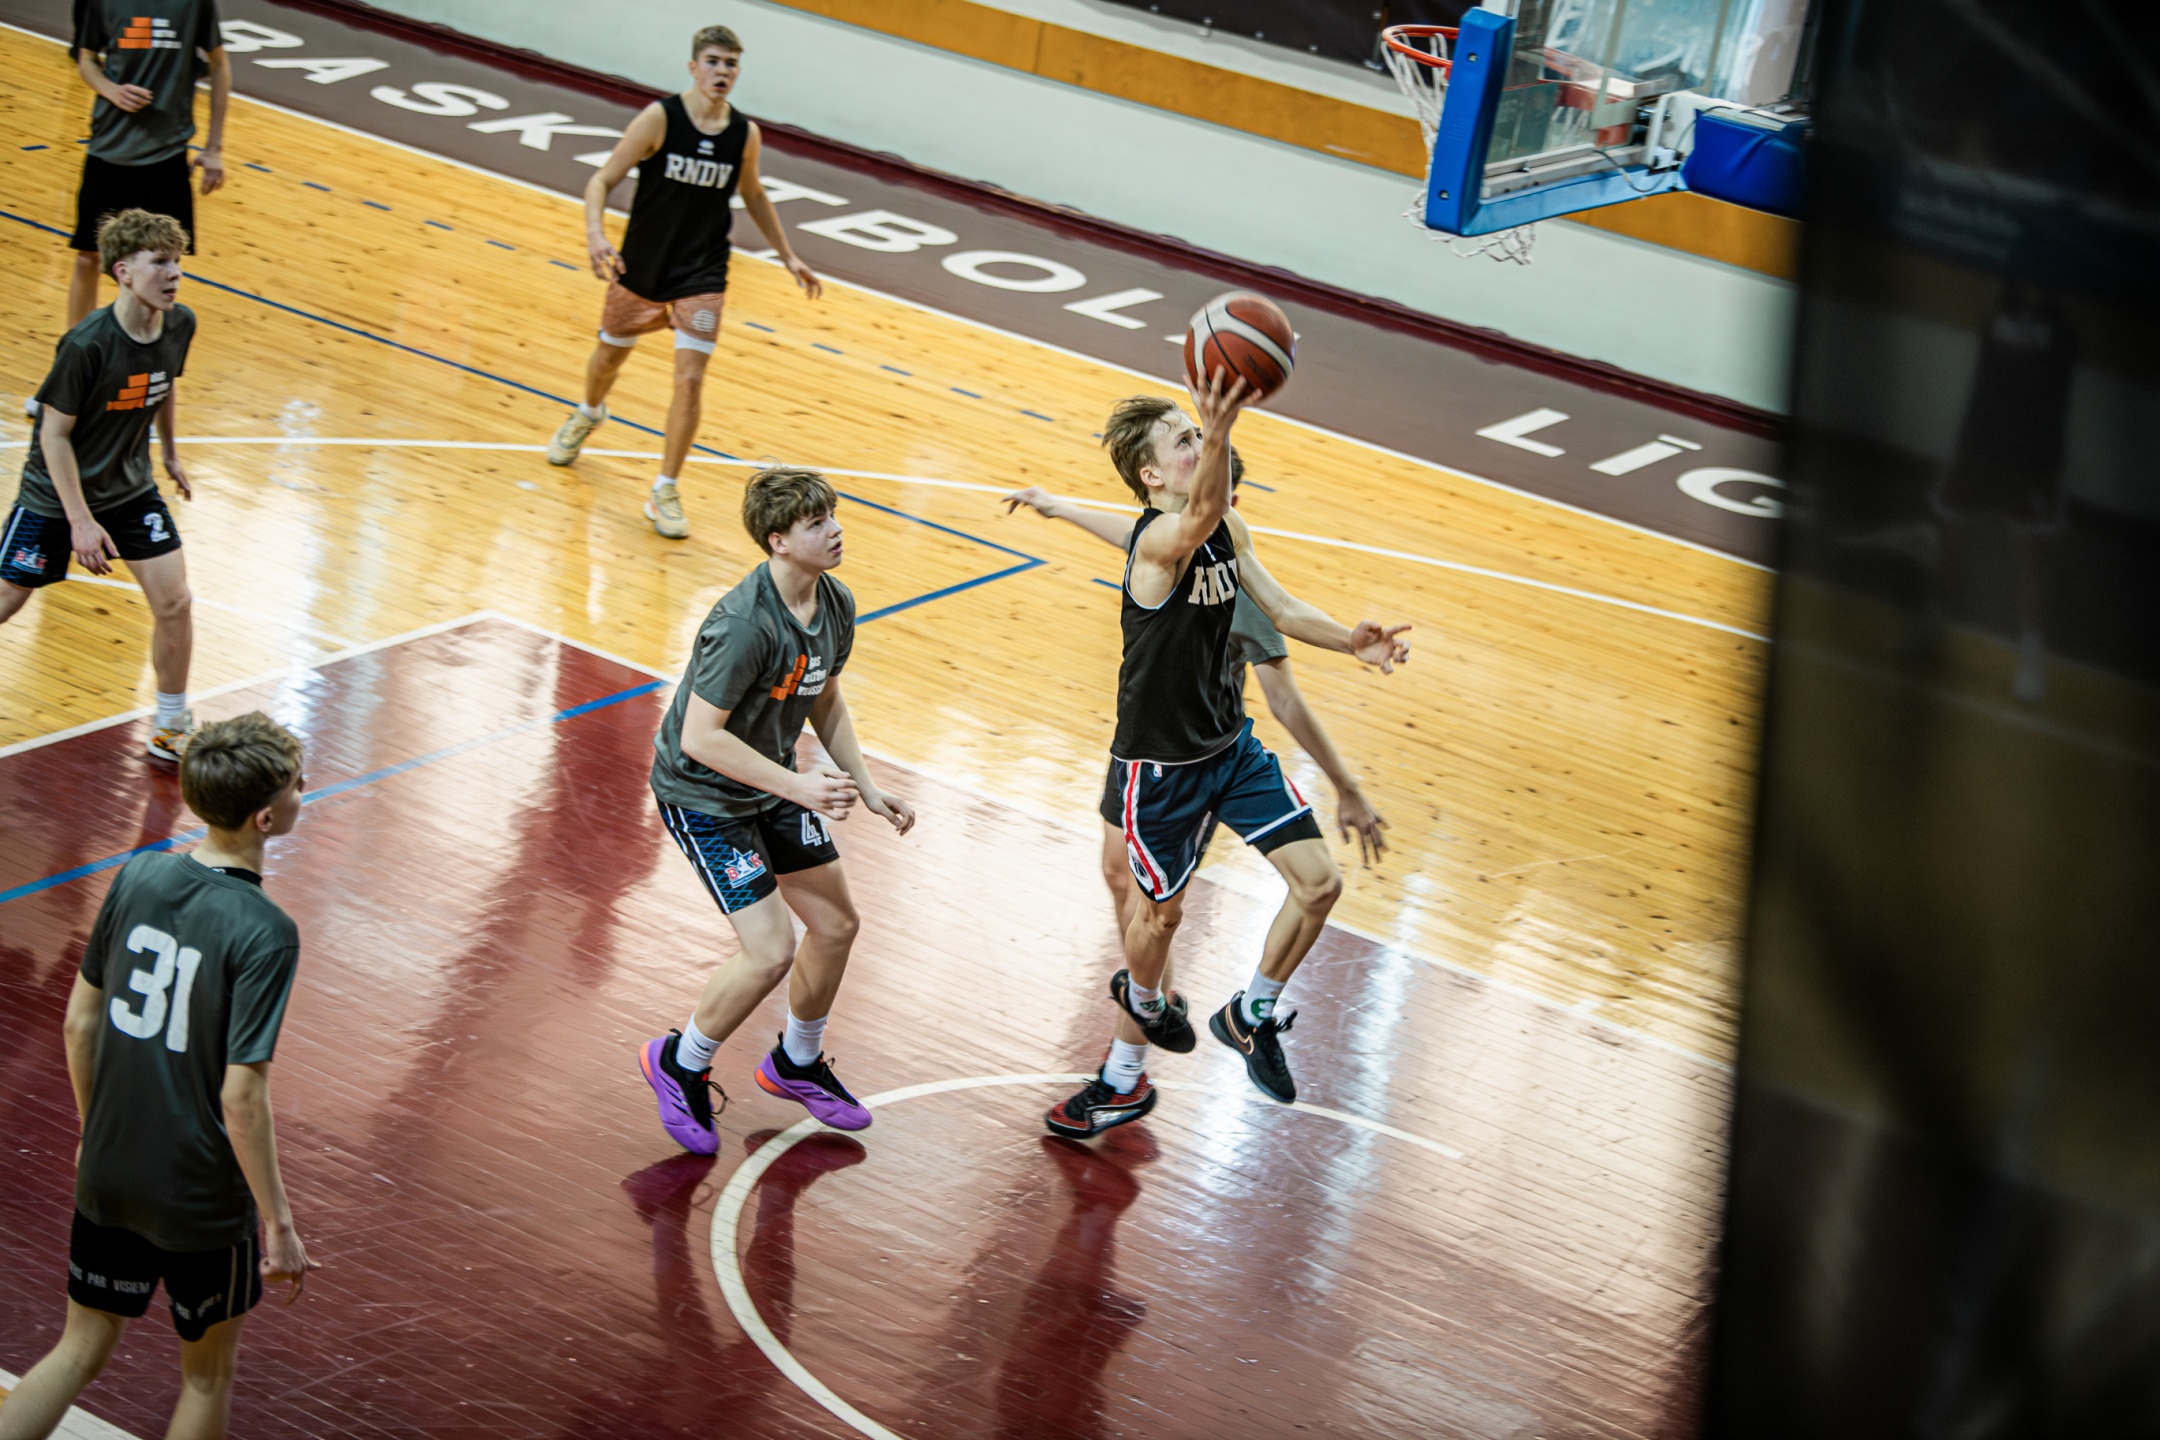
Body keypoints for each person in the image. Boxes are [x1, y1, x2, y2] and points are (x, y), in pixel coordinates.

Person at [1040, 379, 1410, 1138]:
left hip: (1229, 750)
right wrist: (1221, 420)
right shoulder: (1157, 542)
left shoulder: (1226, 528)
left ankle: (1251, 1013)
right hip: (1160, 768)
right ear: (1150, 475)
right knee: (1158, 915)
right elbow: (1193, 512)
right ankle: (1144, 1008)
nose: (1199, 444)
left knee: (1320, 883)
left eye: (1197, 434)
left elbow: (1284, 607)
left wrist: (1351, 642)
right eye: (1184, 440)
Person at [0, 714, 317, 1440]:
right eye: (298, 783)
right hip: (199, 1195)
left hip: (110, 1166)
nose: (305, 788)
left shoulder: (138, 873)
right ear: (266, 818)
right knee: (206, 1376)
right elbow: (242, 1094)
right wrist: (278, 1223)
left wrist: (94, 1134)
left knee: (79, 1348)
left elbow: (79, 1024)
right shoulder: (265, 931)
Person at [1003, 443, 1390, 954]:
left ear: (1227, 503)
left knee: (1154, 907)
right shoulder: (1163, 544)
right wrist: (1056, 506)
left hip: (1194, 759)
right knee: (1117, 874)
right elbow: (1127, 532)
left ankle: (1149, 999)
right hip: (1138, 744)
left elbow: (1286, 701)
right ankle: (1142, 989)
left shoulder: (1241, 590)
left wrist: (1346, 786)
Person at [639, 466, 916, 1150]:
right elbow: (700, 739)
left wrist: (867, 785)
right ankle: (680, 1062)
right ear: (778, 541)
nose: (836, 530)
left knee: (836, 925)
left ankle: (796, 1060)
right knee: (768, 952)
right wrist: (797, 787)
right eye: (817, 523)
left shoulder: (834, 601)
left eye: (834, 516)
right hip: (705, 795)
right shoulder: (742, 625)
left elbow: (825, 698)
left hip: (771, 782)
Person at [543, 24, 823, 541]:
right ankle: (589, 412)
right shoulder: (660, 118)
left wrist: (787, 255)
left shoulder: (744, 134)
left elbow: (754, 194)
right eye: (713, 61)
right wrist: (596, 236)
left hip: (703, 272)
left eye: (731, 63)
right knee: (607, 359)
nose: (722, 71)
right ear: (693, 67)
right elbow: (602, 179)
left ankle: (664, 489)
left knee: (690, 380)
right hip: (643, 265)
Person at [2, 209, 201, 762]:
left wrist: (170, 452)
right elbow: (53, 435)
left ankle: (170, 725)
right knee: (8, 598)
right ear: (123, 272)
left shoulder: (179, 323)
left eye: (177, 262)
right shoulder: (86, 344)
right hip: (55, 494)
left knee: (175, 601)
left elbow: (164, 382)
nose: (174, 274)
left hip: (130, 489)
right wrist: (80, 521)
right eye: (159, 262)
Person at [63, 0, 229, 331]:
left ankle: (144, 350)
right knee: (87, 258)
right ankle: (75, 352)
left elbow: (220, 65)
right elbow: (87, 60)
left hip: (165, 156)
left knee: (160, 269)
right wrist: (111, 90)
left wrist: (214, 148)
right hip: (108, 149)